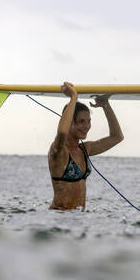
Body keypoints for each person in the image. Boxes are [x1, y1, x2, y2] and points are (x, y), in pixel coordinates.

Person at [48, 82, 124, 210]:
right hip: (59, 218)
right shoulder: (58, 151)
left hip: (79, 219)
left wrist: (105, 105)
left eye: (89, 121)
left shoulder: (84, 150)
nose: (87, 126)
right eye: (81, 122)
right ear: (70, 123)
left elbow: (117, 137)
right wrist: (73, 98)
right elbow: (61, 132)